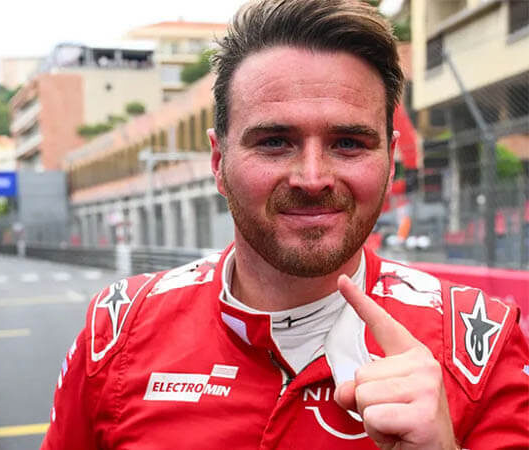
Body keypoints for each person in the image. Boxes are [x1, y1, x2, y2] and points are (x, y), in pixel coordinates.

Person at [40, 1, 529, 448]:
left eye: (349, 143)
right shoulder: (118, 331)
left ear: (390, 160)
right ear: (218, 161)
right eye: (274, 142)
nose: (312, 178)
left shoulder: (480, 346)